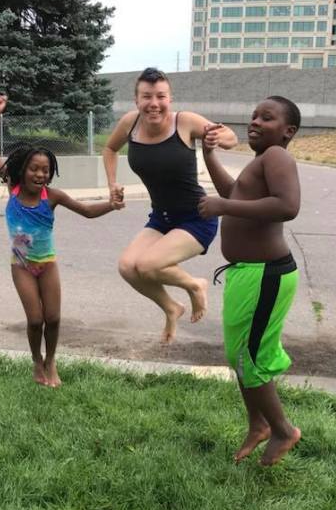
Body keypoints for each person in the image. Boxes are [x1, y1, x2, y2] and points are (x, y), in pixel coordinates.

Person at [0, 95, 123, 388]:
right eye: (34, 168)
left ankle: (51, 361)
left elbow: (86, 211)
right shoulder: (13, 187)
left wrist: (111, 205)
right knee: (35, 320)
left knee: (54, 318)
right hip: (21, 265)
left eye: (45, 170)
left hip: (47, 265)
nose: (40, 174)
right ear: (22, 170)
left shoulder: (53, 197)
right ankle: (37, 360)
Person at [197, 96, 302, 466]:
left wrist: (224, 207)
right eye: (254, 115)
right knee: (238, 354)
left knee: (250, 357)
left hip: (266, 274)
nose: (255, 121)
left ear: (288, 131)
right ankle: (258, 424)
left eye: (267, 118)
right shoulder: (260, 161)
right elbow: (234, 193)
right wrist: (209, 156)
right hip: (248, 274)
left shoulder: (277, 157)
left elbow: (287, 206)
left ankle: (283, 430)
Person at [102, 67, 238, 344]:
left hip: (196, 217)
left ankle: (195, 285)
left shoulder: (185, 122)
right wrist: (112, 184)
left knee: (148, 265)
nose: (154, 103)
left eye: (160, 96)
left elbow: (231, 138)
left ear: (170, 99)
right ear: (136, 100)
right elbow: (109, 149)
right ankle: (171, 307)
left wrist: (217, 138)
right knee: (127, 267)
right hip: (161, 218)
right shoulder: (130, 123)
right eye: (146, 96)